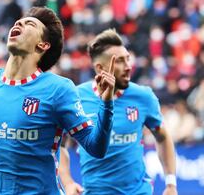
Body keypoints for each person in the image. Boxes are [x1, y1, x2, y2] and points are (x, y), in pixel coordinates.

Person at [0, 7, 116, 194]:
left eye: (29, 24)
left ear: (43, 45)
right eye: (18, 22)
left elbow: (96, 147)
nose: (19, 23)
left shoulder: (58, 89)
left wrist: (106, 104)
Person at [59, 29, 177, 195]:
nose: (128, 66)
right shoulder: (76, 97)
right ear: (100, 68)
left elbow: (163, 136)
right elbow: (59, 144)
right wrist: (68, 182)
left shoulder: (143, 96)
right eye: (120, 61)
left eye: (128, 59)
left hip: (139, 191)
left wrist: (171, 183)